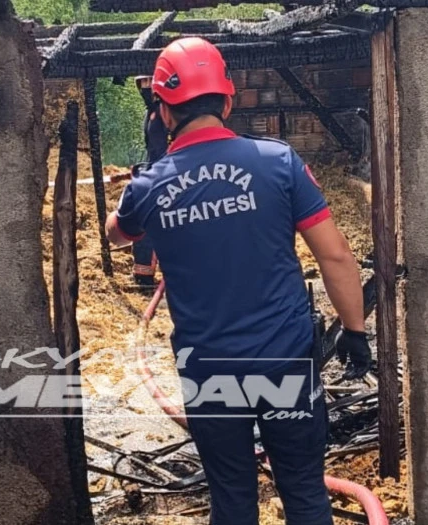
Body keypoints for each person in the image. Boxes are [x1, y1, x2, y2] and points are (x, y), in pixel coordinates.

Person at [106, 37, 371, 525]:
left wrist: (151, 172)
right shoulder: (278, 162)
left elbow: (118, 235)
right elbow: (335, 255)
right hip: (285, 361)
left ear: (163, 113)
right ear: (228, 103)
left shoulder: (149, 186)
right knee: (304, 491)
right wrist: (354, 331)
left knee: (231, 498)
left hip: (209, 371)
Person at [130, 75, 169, 289]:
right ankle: (143, 274)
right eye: (142, 84)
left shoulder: (163, 113)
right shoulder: (152, 112)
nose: (145, 88)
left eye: (148, 83)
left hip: (163, 175)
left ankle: (148, 274)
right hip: (154, 172)